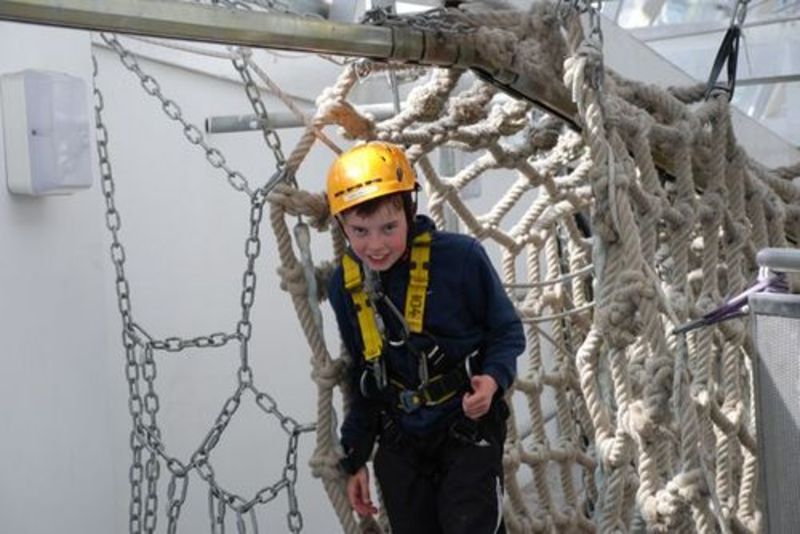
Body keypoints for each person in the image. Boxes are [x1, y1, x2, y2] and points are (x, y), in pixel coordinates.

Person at [326, 141, 525, 534]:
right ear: (342, 226)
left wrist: (493, 379)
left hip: (466, 426)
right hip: (401, 437)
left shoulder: (460, 259)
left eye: (389, 227)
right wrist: (355, 457)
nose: (375, 245)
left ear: (409, 211)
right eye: (360, 231)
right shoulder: (346, 286)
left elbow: (506, 330)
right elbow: (364, 374)